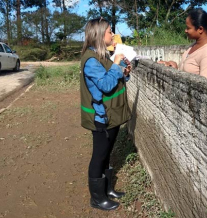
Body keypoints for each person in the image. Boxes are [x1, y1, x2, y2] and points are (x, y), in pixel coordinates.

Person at [80, 17, 132, 211]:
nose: (113, 35)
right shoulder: (91, 60)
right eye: (110, 31)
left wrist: (124, 71)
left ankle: (107, 189)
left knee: (107, 153)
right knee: (99, 156)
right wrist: (117, 64)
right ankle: (97, 198)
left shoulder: (102, 56)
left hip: (111, 114)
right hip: (100, 117)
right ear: (100, 35)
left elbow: (113, 77)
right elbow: (106, 85)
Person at [159, 8, 207, 81]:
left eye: (188, 28)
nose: (185, 30)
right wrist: (175, 67)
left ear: (200, 29)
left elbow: (204, 88)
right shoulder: (193, 46)